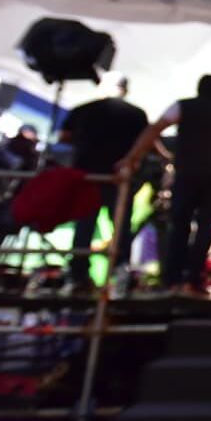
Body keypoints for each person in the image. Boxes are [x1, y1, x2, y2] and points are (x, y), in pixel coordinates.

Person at [119, 75, 211, 295]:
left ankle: (172, 279)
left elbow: (154, 129)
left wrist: (132, 157)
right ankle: (194, 279)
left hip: (188, 174)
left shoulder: (183, 106)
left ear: (198, 89)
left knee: (179, 225)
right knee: (207, 228)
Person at [58, 72, 148, 295]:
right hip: (118, 177)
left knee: (85, 226)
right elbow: (146, 141)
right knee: (121, 227)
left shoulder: (83, 110)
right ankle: (120, 273)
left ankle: (78, 274)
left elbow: (63, 137)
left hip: (88, 174)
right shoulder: (136, 114)